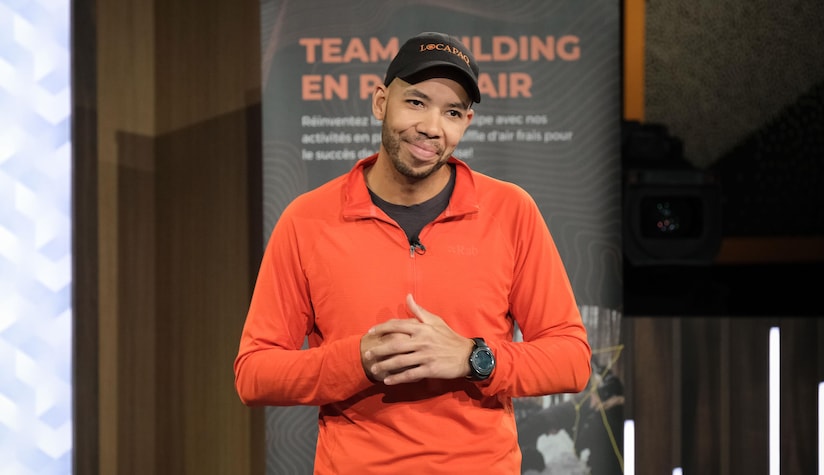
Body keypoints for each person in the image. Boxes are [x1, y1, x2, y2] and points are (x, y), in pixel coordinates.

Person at [234, 31, 592, 474]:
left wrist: (472, 357)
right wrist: (356, 359)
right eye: (417, 102)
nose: (431, 127)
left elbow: (572, 360)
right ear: (381, 102)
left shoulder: (511, 211)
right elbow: (254, 374)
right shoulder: (307, 219)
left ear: (466, 123)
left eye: (452, 112)